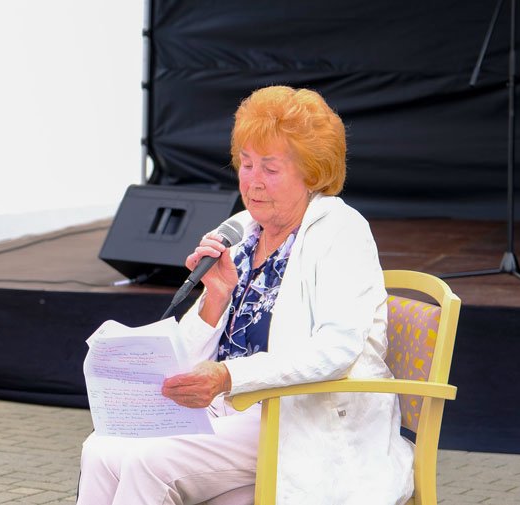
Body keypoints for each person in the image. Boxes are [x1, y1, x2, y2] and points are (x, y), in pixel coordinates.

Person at [77, 86, 414, 504]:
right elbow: (194, 354)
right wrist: (215, 298)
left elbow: (336, 349)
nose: (252, 182)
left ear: (312, 172)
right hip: (228, 411)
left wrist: (229, 377)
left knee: (148, 460)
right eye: (246, 164)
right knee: (101, 448)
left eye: (269, 169)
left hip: (293, 413)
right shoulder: (242, 230)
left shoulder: (341, 231)